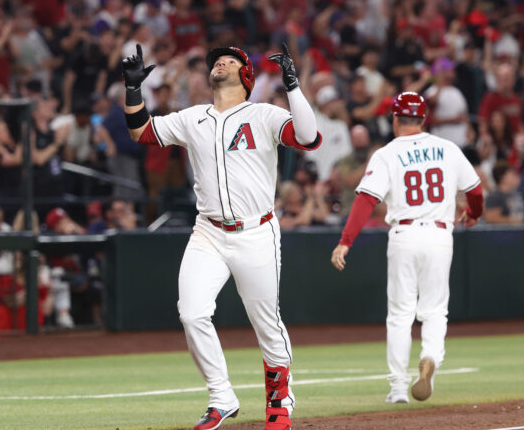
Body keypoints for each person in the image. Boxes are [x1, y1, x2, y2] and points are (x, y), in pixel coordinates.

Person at [123, 42, 321, 430]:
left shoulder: (263, 113)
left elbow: (308, 137)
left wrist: (294, 87)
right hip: (208, 231)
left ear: (246, 77)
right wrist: (133, 91)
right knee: (192, 312)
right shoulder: (192, 117)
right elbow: (142, 132)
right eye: (217, 60)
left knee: (266, 322)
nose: (221, 63)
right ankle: (221, 397)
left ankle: (280, 400)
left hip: (256, 231)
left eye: (231, 60)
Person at [331, 92, 484, 404]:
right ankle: (430, 357)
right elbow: (476, 190)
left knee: (400, 314)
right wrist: (474, 214)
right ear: (424, 119)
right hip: (440, 235)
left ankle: (399, 387)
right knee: (435, 310)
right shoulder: (447, 148)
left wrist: (346, 241)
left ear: (395, 119)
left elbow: (366, 200)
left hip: (405, 232)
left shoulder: (387, 153)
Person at [484, 160, 524, 224]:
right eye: (513, 174)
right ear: (502, 177)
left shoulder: (515, 194)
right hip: (502, 233)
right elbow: (491, 219)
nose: (517, 177)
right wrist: (513, 221)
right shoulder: (495, 196)